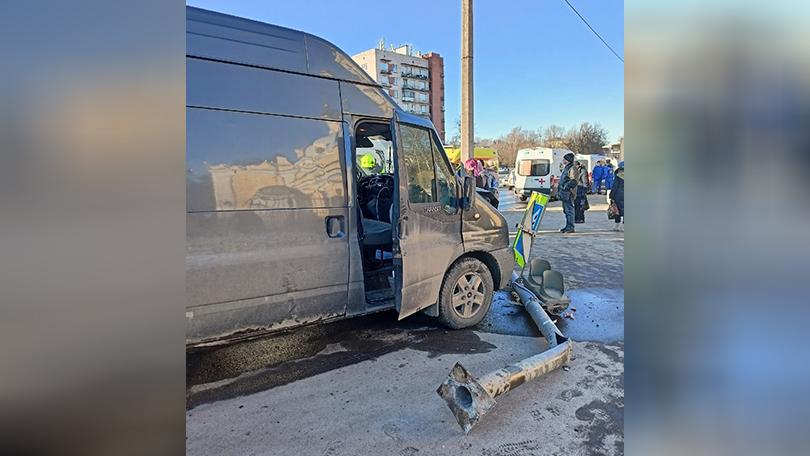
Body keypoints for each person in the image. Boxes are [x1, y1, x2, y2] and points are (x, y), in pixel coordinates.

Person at [558, 153, 578, 233]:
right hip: (564, 192)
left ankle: (570, 227)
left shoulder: (573, 168)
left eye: (564, 159)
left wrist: (566, 187)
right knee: (566, 210)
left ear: (568, 160)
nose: (563, 161)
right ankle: (567, 226)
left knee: (569, 210)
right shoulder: (566, 168)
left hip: (569, 193)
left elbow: (574, 180)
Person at [609, 161, 624, 231]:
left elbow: (615, 186)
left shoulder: (618, 175)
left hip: (618, 195)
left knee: (617, 210)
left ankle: (617, 225)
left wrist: (611, 195)